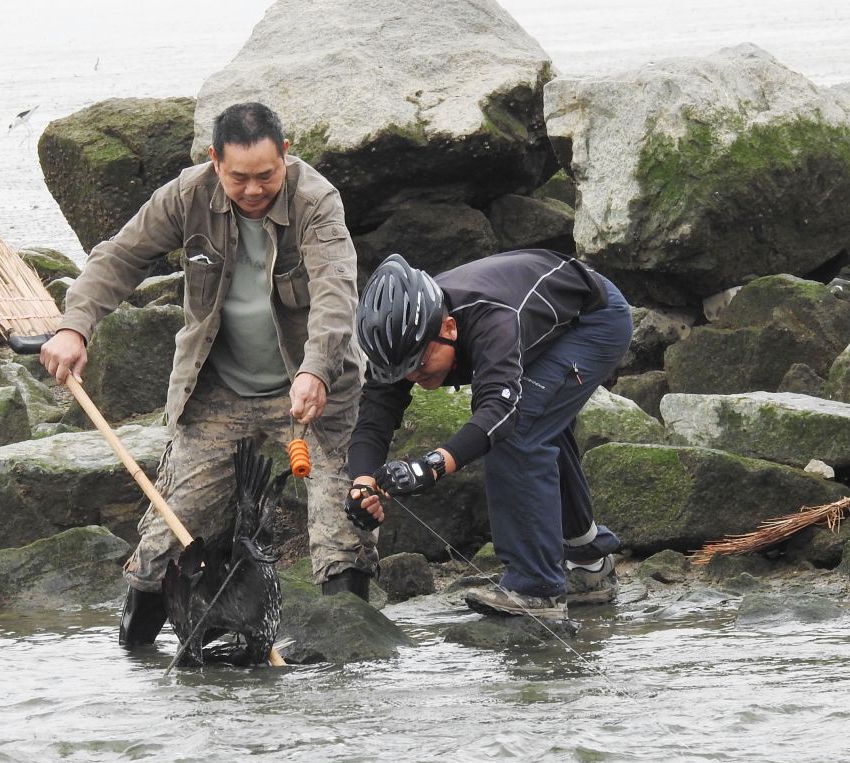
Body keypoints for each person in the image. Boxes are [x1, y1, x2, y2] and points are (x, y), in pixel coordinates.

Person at [40, 102, 376, 647]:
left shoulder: (317, 201)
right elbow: (119, 258)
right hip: (217, 392)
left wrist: (316, 371)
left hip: (313, 392)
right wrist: (74, 327)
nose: (252, 189)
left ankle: (345, 663)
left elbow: (336, 297)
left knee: (342, 534)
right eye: (238, 176)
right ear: (214, 160)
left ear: (285, 156)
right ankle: (136, 654)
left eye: (266, 176)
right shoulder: (186, 194)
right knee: (165, 536)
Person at [344, 250, 632, 620]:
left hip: (592, 320)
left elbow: (499, 413)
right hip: (541, 321)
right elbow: (374, 417)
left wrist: (431, 466)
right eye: (399, 372)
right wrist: (363, 483)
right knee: (541, 425)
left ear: (448, 327)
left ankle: (536, 588)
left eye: (418, 364)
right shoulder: (401, 343)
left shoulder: (492, 319)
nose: (412, 377)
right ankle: (590, 562)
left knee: (518, 431)